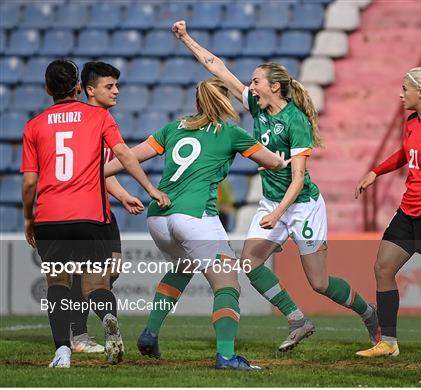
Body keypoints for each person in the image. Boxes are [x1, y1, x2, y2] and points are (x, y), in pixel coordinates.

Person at [171, 20, 380, 352]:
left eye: (256, 81)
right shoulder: (257, 106)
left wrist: (279, 213)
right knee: (249, 264)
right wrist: (186, 39)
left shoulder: (296, 122)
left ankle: (370, 314)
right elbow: (218, 68)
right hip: (273, 203)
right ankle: (297, 320)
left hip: (301, 206)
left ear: (275, 86)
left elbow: (298, 178)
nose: (250, 87)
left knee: (320, 283)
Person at [104, 77, 287, 370]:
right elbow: (272, 162)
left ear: (198, 101)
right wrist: (285, 160)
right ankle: (226, 356)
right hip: (195, 216)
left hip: (158, 217)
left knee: (182, 268)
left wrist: (95, 173)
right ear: (225, 101)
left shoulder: (173, 127)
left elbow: (129, 157)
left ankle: (150, 334)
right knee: (228, 284)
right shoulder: (230, 132)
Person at [21, 59, 170, 368]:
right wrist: (149, 189)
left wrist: (28, 218)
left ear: (47, 89)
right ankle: (108, 318)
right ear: (78, 87)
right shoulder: (98, 117)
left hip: (50, 216)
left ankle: (63, 350)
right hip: (91, 215)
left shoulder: (34, 125)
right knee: (97, 286)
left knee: (59, 285)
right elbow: (123, 155)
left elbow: (29, 182)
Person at [355, 67, 421, 358]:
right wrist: (376, 171)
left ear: (420, 92)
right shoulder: (412, 121)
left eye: (405, 89)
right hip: (408, 209)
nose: (401, 94)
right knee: (383, 268)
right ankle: (388, 342)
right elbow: (404, 153)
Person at [68, 61, 145, 354]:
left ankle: (92, 324)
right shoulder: (86, 121)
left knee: (112, 271)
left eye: (117, 86)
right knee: (84, 275)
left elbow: (100, 170)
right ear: (90, 89)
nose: (116, 91)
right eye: (109, 86)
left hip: (103, 210)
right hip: (83, 212)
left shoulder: (104, 119)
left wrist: (123, 195)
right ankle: (79, 334)